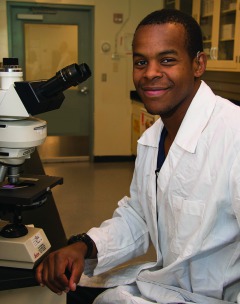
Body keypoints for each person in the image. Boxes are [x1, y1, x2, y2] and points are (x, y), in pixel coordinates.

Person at [36, 8, 240, 304]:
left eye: (167, 60)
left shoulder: (232, 135)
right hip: (170, 287)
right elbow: (140, 216)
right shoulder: (153, 139)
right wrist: (83, 246)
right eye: (141, 62)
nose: (150, 73)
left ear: (198, 64)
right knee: (72, 291)